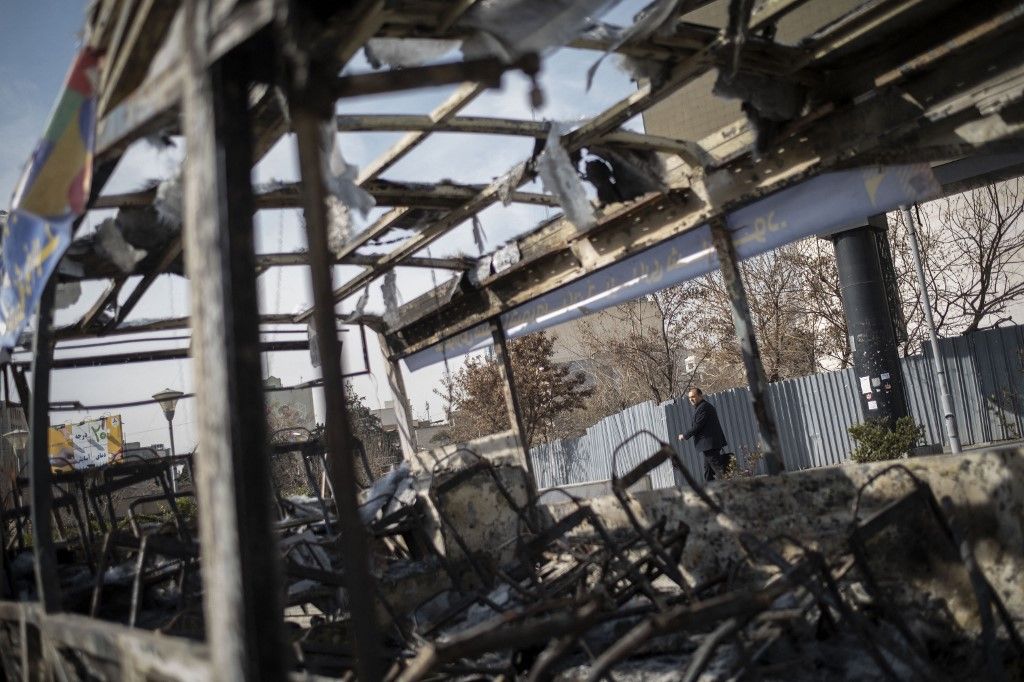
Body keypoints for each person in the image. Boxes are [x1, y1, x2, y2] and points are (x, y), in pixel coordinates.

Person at [678, 387, 729, 481]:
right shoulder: (702, 407)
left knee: (719, 470)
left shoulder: (704, 407)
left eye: (693, 396)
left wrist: (684, 435)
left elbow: (698, 426)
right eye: (689, 398)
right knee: (708, 471)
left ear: (700, 396)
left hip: (710, 445)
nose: (691, 399)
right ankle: (710, 491)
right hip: (709, 445)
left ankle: (731, 489)